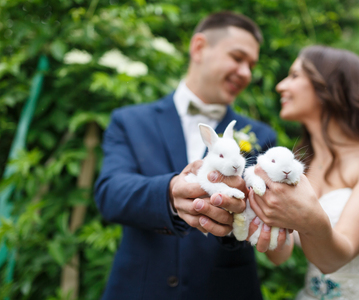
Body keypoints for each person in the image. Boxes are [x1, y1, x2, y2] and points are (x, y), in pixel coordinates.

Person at [94, 11, 279, 300]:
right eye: (238, 58)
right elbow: (110, 192)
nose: (246, 73)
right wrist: (168, 194)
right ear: (199, 48)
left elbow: (269, 214)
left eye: (251, 65)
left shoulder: (261, 135)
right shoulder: (129, 121)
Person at [245, 46, 359, 299]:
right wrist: (253, 214)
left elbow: (335, 257)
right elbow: (281, 255)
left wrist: (304, 218)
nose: (280, 86)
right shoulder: (301, 165)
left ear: (330, 86)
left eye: (295, 75)